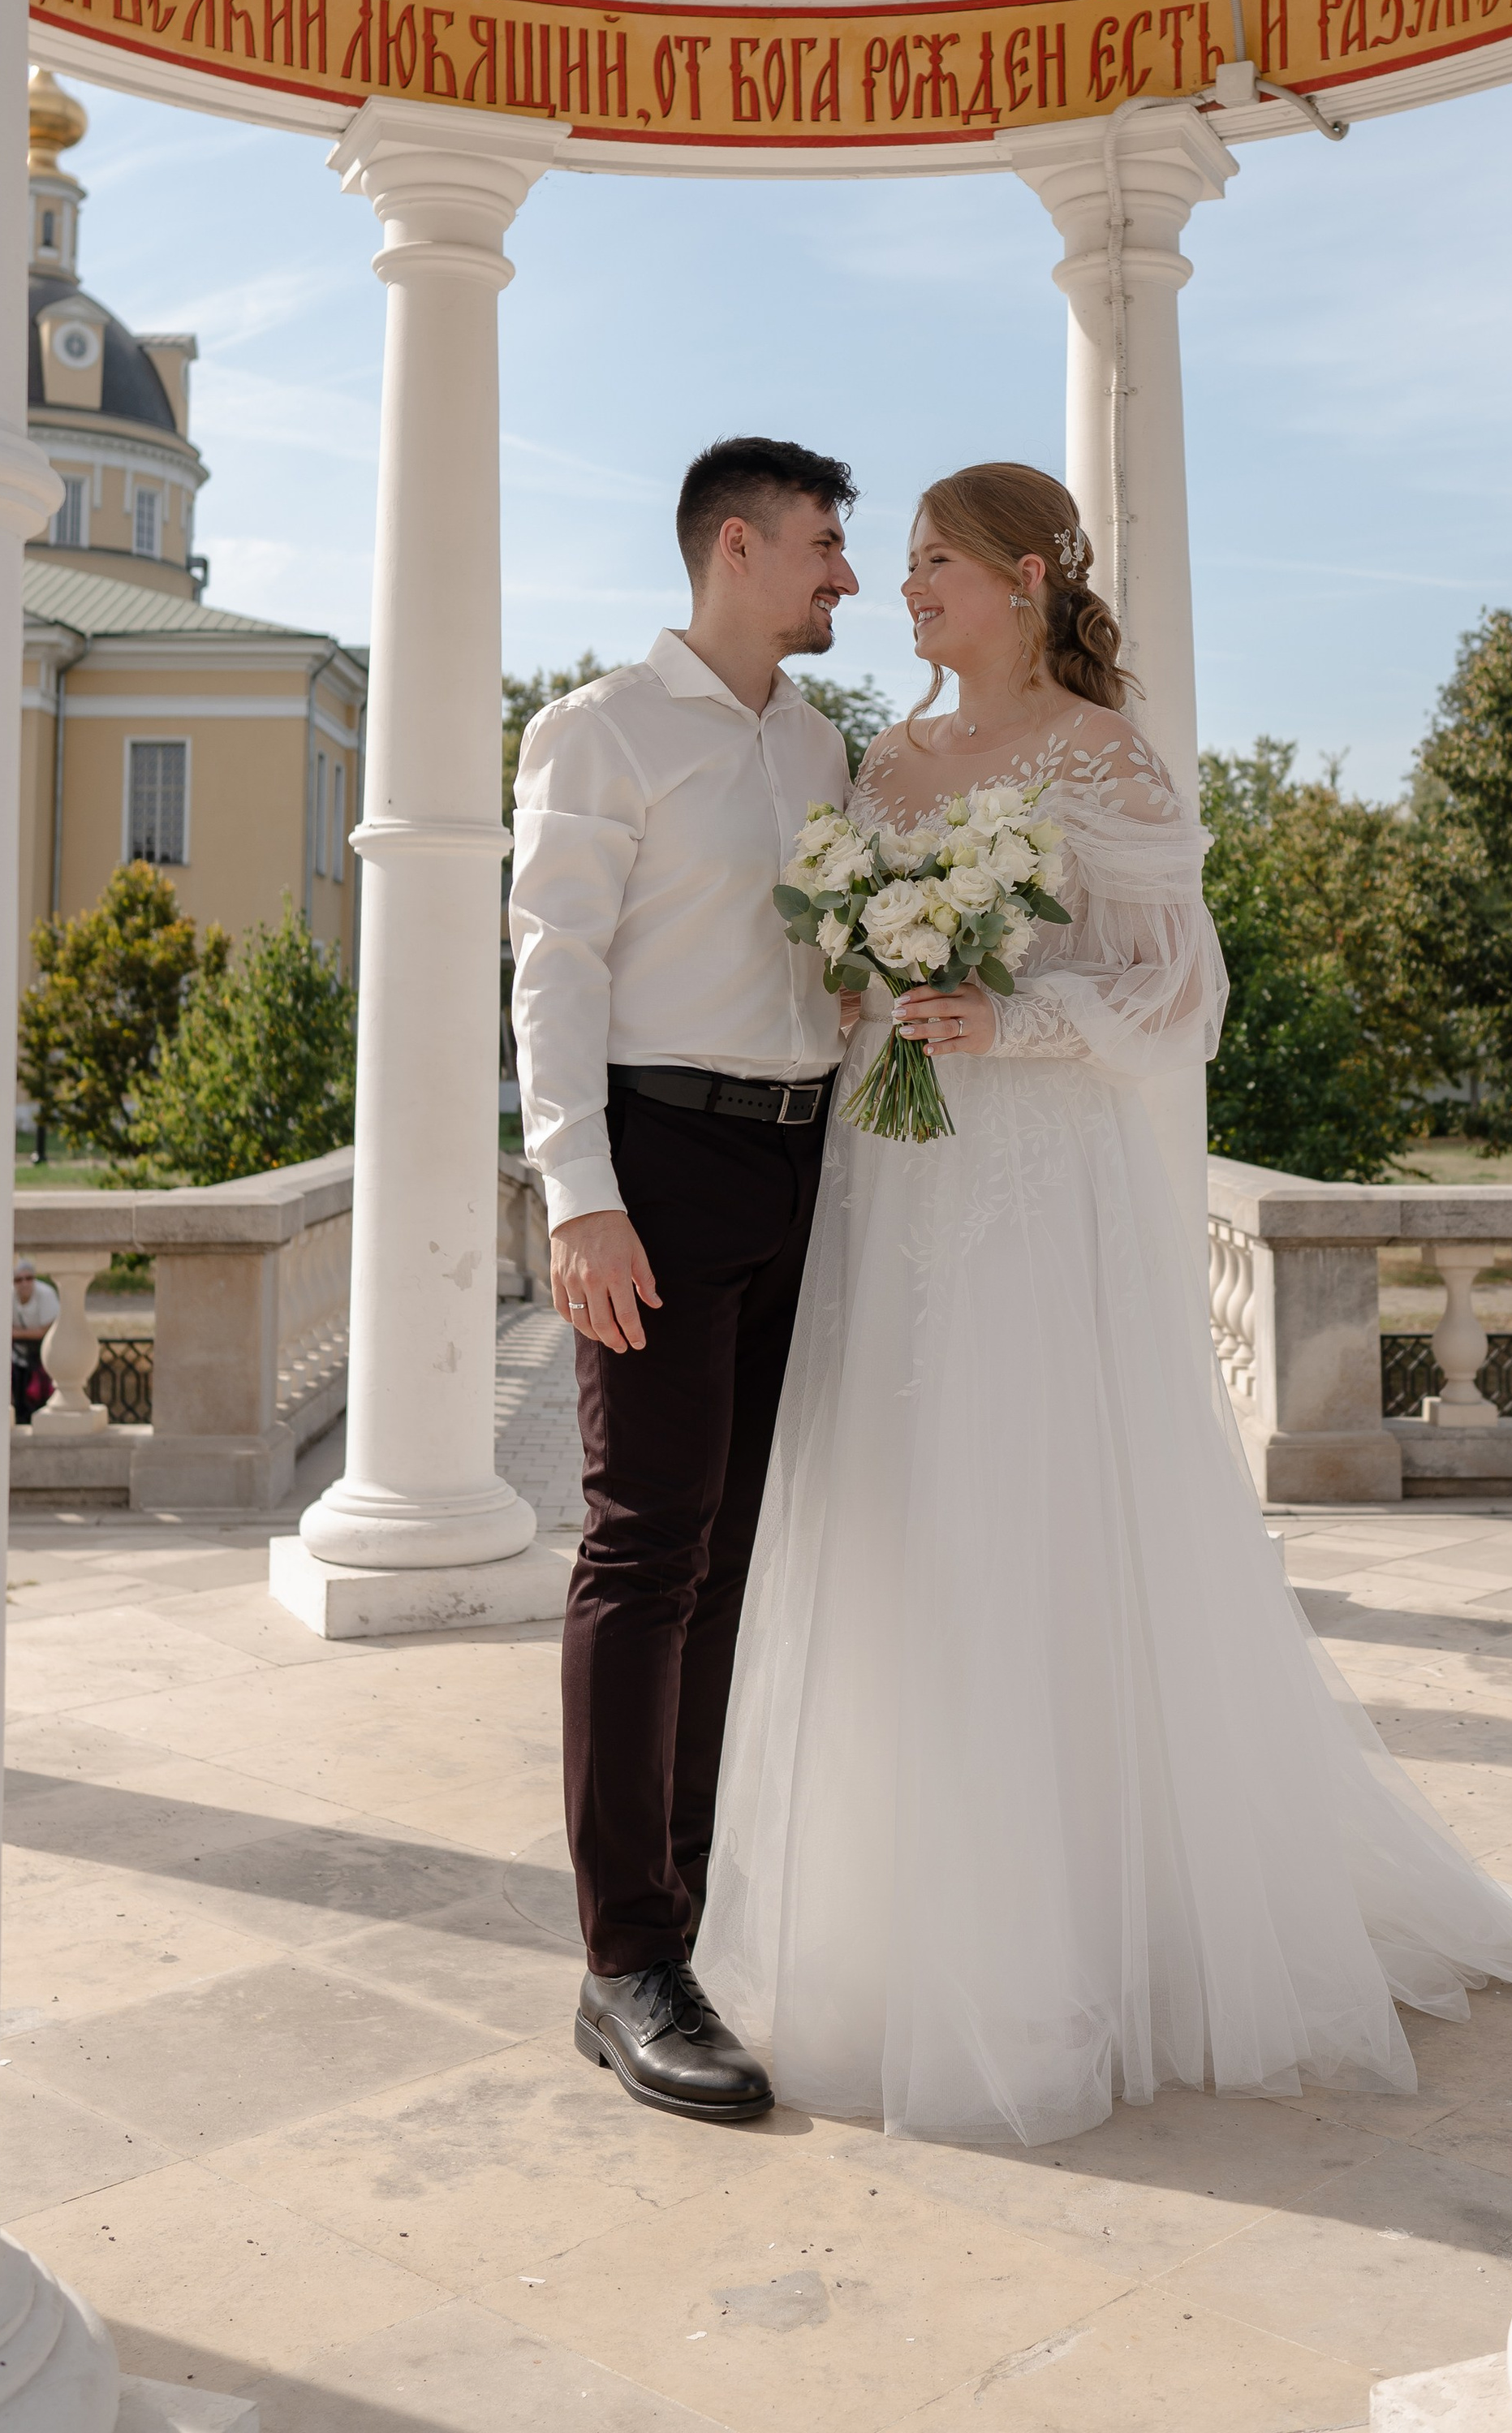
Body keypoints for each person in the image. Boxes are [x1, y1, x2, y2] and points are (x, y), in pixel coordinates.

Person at [696, 462, 1512, 2145]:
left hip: (1034, 1194)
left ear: (1028, 576)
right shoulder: (885, 761)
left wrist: (1013, 1018)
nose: (907, 590)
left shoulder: (1104, 753)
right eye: (901, 565)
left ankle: (1079, 1939)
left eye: (935, 564)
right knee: (897, 1520)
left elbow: (1179, 992)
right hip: (894, 1182)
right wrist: (872, 981)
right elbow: (840, 966)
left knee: (1032, 1519)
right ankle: (898, 1927)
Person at [510, 436, 861, 2123]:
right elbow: (553, 965)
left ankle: (685, 1915)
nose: (846, 575)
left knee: (730, 1552)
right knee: (643, 1546)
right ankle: (625, 1960)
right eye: (824, 544)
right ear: (737, 544)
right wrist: (579, 1194)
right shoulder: (597, 727)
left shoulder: (820, 743)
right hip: (657, 1160)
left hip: (807, 1163)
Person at [11, 1259, 58, 1426]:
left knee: (42, 1396)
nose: (24, 1283)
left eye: (29, 1278)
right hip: (18, 1357)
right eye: (19, 1279)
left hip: (44, 1357)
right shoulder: (7, 1295)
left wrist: (16, 1333)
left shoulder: (46, 1294)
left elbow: (45, 1331)